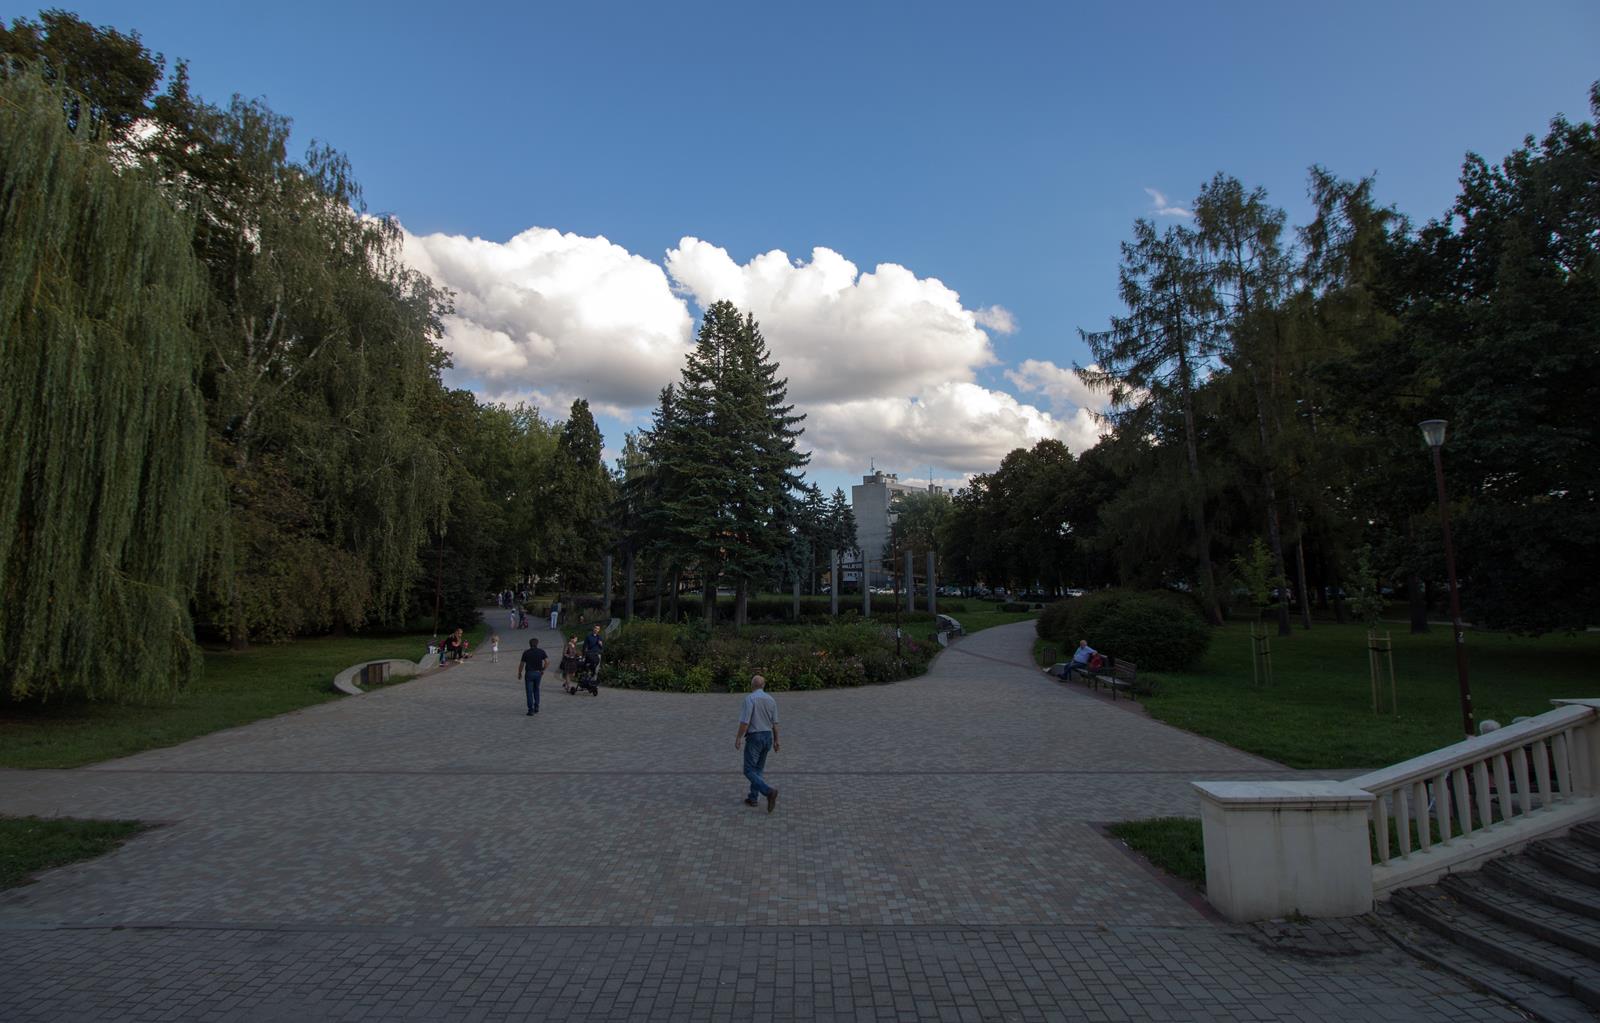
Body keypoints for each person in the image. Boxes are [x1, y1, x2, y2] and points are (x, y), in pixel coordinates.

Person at [735, 674, 780, 813]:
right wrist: (776, 740)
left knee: (748, 770)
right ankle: (753, 798)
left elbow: (745, 721)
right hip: (767, 736)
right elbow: (775, 723)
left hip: (755, 737)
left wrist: (738, 737)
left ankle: (768, 791)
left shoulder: (750, 699)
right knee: (758, 769)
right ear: (763, 685)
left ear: (752, 685)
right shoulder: (771, 700)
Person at [518, 637, 548, 716]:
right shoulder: (541, 651)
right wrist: (543, 669)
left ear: (530, 644)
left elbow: (522, 664)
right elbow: (547, 662)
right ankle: (536, 706)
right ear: (537, 644)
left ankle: (530, 710)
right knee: (536, 689)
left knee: (529, 692)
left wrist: (519, 673)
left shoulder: (526, 652)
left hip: (529, 673)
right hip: (538, 673)